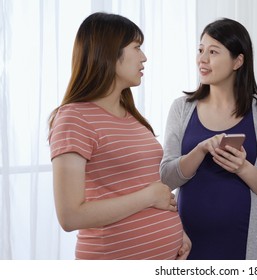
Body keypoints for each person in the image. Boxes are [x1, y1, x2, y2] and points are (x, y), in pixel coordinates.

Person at [48, 12, 190, 260]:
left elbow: (141, 184)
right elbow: (70, 216)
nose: (144, 57)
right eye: (137, 47)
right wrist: (148, 198)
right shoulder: (74, 118)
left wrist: (178, 233)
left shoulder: (131, 116)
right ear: (109, 52)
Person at [160, 18, 257, 260]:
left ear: (238, 61)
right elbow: (166, 178)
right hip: (187, 244)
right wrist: (200, 151)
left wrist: (242, 168)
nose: (202, 59)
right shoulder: (182, 108)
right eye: (200, 50)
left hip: (245, 245)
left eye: (213, 51)